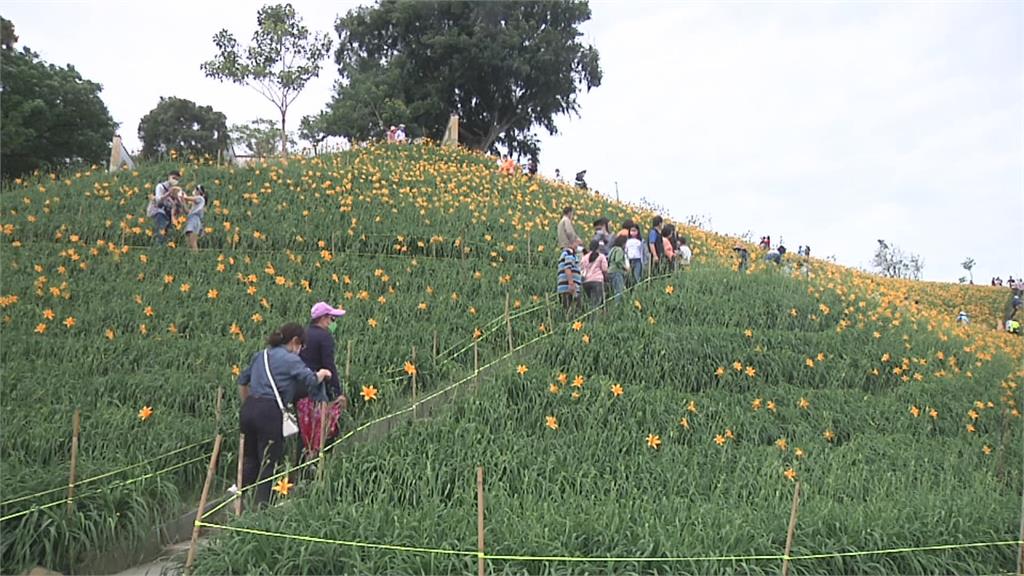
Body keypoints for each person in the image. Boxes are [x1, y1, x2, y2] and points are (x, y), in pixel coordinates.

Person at [237, 323, 331, 505]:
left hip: (248, 409)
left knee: (249, 460)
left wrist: (248, 403)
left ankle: (239, 503)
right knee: (269, 461)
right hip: (269, 412)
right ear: (295, 342)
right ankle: (262, 509)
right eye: (300, 346)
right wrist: (322, 373)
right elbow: (310, 380)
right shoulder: (290, 359)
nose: (300, 350)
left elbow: (242, 381)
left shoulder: (260, 355)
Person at [297, 302, 346, 459]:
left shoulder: (302, 334)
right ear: (323, 318)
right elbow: (329, 366)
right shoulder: (325, 337)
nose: (333, 323)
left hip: (299, 388)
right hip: (317, 389)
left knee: (303, 428)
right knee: (323, 429)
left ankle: (301, 463)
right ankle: (318, 464)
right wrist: (337, 393)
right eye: (332, 319)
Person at [147, 170, 180, 245]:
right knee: (160, 232)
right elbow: (158, 200)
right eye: (173, 178)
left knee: (168, 233)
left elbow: (175, 205)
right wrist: (169, 193)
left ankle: (166, 248)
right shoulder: (160, 186)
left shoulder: (175, 189)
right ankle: (159, 246)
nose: (175, 181)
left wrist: (176, 197)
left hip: (168, 213)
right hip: (158, 212)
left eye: (177, 179)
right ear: (169, 177)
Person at [580, 240, 608, 308]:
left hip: (586, 282)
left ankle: (590, 317)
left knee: (590, 302)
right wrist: (606, 280)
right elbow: (604, 269)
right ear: (598, 247)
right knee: (596, 304)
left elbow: (581, 269)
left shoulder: (584, 257)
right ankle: (594, 318)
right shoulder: (601, 256)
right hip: (597, 281)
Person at [556, 245, 582, 314]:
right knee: (572, 312)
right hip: (569, 288)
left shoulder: (567, 254)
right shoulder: (569, 253)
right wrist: (571, 284)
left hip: (565, 288)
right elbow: (567, 268)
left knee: (568, 311)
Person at [182, 185, 207, 252]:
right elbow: (187, 211)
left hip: (194, 220)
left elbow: (186, 198)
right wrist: (183, 202)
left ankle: (195, 258)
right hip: (191, 219)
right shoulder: (194, 204)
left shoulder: (200, 198)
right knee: (188, 243)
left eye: (196, 189)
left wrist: (181, 195)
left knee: (193, 244)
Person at [606, 235, 628, 303]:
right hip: (616, 271)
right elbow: (618, 260)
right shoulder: (619, 250)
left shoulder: (613, 249)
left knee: (613, 290)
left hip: (610, 271)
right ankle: (617, 305)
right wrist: (624, 267)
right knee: (619, 290)